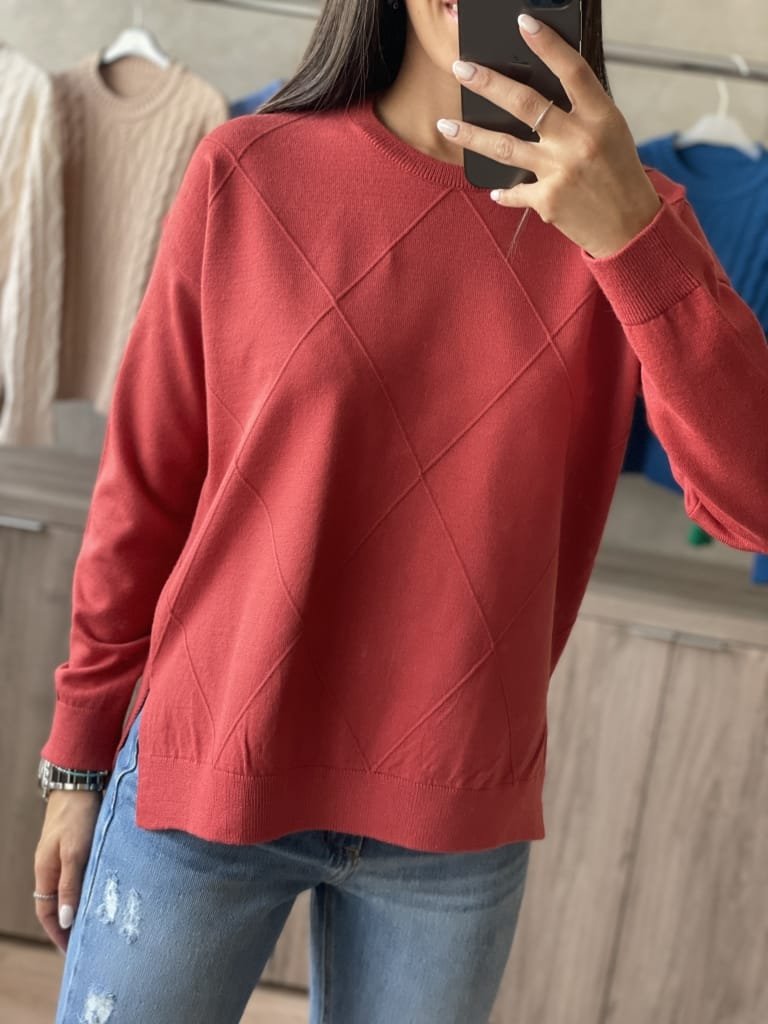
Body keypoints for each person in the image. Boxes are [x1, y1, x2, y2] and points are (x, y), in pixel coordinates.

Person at [34, 2, 768, 1022]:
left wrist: (633, 239)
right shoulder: (247, 171)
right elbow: (143, 493)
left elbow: (753, 503)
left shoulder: (633, 220)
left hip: (452, 814)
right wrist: (78, 760)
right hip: (208, 766)